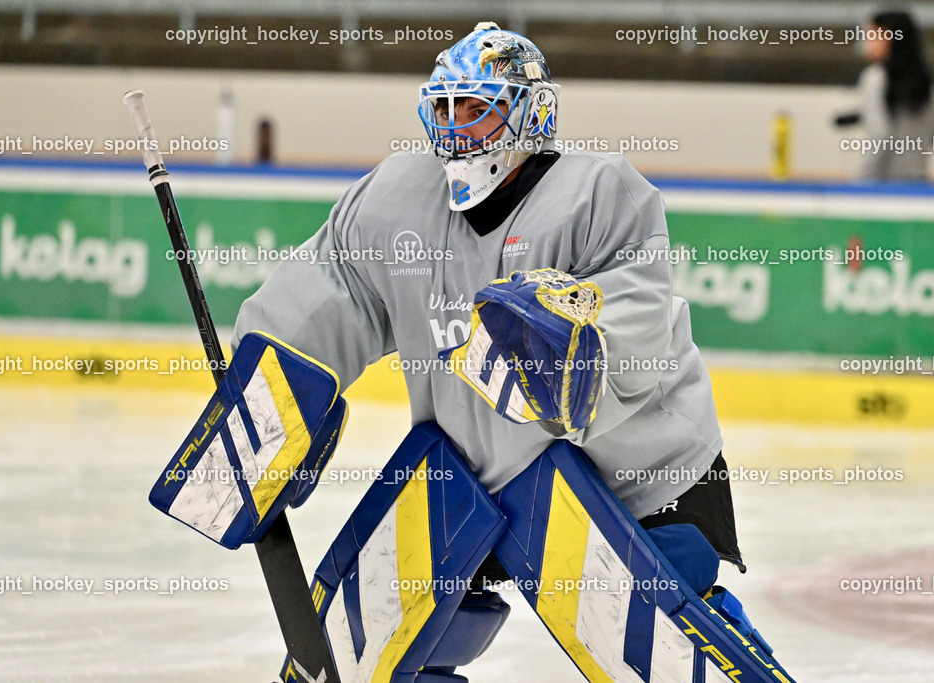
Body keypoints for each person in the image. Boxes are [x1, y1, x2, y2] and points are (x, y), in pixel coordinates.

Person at [232, 22, 772, 681]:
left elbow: (640, 314)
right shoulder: (394, 200)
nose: (457, 125)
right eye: (445, 107)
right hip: (469, 475)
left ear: (529, 113)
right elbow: (330, 286)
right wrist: (268, 392)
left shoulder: (599, 191)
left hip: (636, 478)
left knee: (665, 637)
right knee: (375, 649)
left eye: (478, 107)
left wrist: (575, 342)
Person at [836, 10, 934, 180]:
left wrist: (861, 183)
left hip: (882, 186)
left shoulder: (875, 77)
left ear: (888, 38)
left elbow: (880, 136)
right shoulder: (926, 83)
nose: (866, 43)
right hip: (917, 186)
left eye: (871, 35)